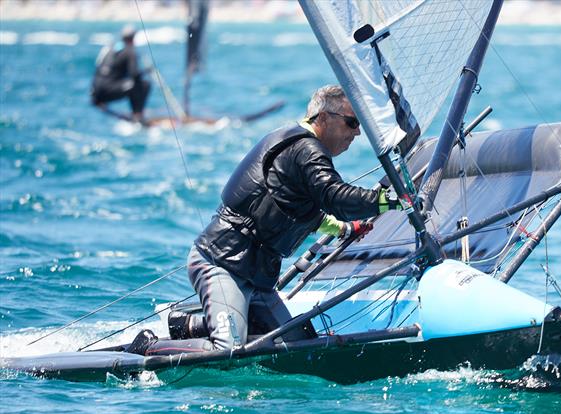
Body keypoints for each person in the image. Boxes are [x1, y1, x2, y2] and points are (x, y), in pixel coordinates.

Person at [126, 85, 401, 356]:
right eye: (352, 122)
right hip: (221, 262)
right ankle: (148, 346)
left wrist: (344, 228)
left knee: (297, 347)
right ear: (324, 117)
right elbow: (334, 196)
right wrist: (387, 200)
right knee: (228, 350)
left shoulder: (302, 151)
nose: (357, 132)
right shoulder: (306, 148)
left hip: (257, 275)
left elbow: (303, 212)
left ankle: (189, 325)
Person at [91, 25, 151, 123]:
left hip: (95, 93)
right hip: (107, 90)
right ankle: (137, 115)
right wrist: (147, 71)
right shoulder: (130, 50)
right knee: (144, 85)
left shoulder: (111, 48)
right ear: (133, 38)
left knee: (133, 84)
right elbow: (135, 75)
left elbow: (98, 70)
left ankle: (135, 114)